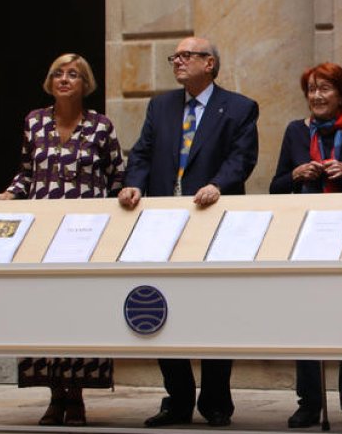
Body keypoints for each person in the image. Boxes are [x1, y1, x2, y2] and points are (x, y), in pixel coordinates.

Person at [118, 37, 259, 428]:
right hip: (163, 223)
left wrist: (218, 184)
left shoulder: (240, 108)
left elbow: (242, 158)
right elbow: (142, 153)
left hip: (212, 219)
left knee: (214, 311)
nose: (177, 61)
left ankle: (215, 402)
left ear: (209, 63)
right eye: (174, 56)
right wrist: (133, 184)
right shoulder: (160, 106)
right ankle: (177, 399)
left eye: (186, 55)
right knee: (162, 307)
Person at [0, 53, 125, 427]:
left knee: (81, 312)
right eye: (58, 74)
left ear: (86, 84)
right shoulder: (34, 122)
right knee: (45, 311)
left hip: (87, 237)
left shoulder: (100, 126)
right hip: (44, 235)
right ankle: (54, 395)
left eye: (74, 75)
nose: (65, 79)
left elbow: (117, 179)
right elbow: (27, 173)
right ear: (50, 82)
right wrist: (9, 195)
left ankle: (76, 396)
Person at [270, 62, 342, 428]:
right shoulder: (294, 133)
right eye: (311, 90)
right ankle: (309, 402)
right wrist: (296, 174)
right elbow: (275, 186)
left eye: (325, 89)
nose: (317, 96)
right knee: (307, 318)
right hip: (306, 233)